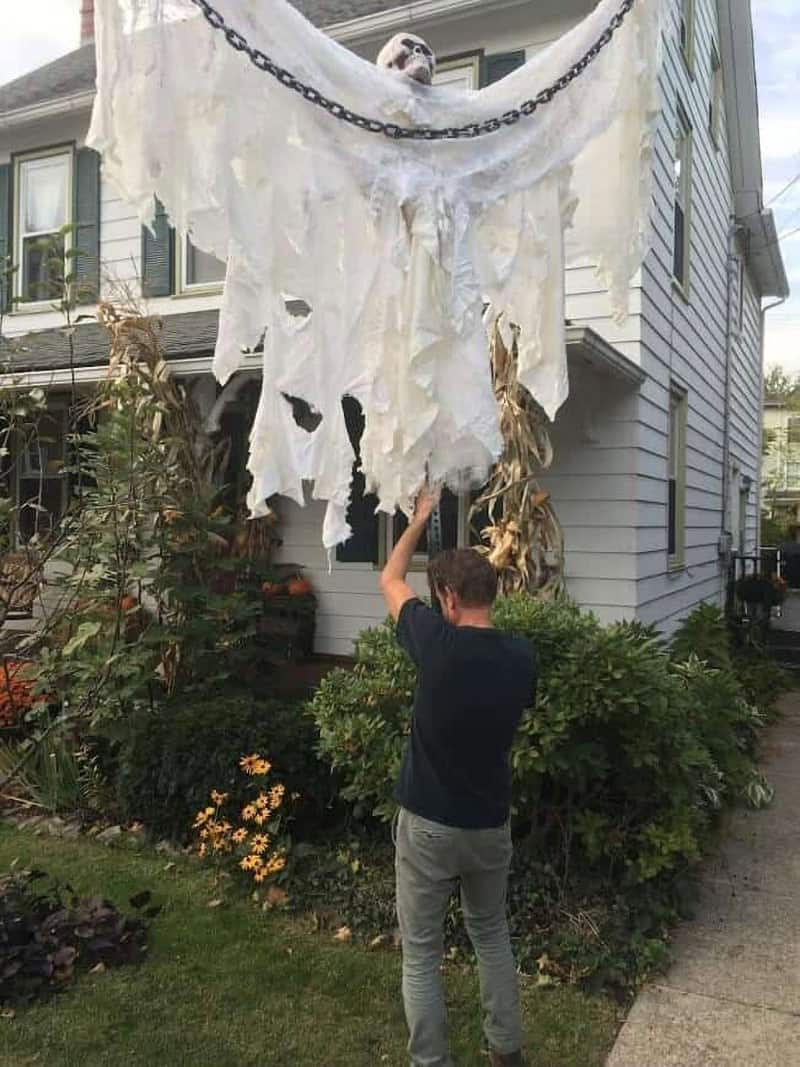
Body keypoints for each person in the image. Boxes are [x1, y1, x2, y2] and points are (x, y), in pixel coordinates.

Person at [380, 492, 537, 1067]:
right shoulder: (522, 657)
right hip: (489, 824)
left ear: (447, 598)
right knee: (491, 934)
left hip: (426, 825)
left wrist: (419, 519)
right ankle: (506, 1050)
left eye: (437, 594)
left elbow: (390, 576)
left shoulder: (436, 644)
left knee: (421, 953)